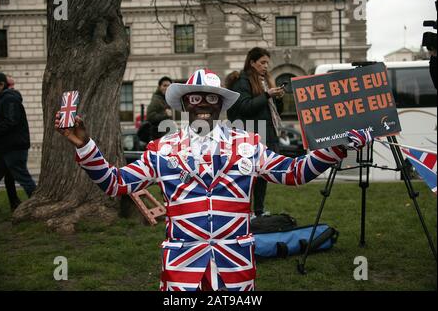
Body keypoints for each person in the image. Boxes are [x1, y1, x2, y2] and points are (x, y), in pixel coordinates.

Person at [55, 68, 371, 291]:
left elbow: (294, 173)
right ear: (184, 104)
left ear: (221, 103)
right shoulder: (162, 149)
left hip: (234, 264)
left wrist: (337, 148)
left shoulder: (248, 143)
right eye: (195, 98)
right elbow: (115, 184)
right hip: (183, 267)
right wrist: (86, 145)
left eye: (211, 98)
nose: (204, 104)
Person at [227, 47, 285, 218]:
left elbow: (274, 112)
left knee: (262, 174)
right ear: (252, 62)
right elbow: (244, 107)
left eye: (267, 63)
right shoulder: (242, 81)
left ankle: (258, 211)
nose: (266, 66)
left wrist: (278, 98)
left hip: (266, 133)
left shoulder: (265, 81)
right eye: (262, 63)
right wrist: (267, 95)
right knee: (247, 175)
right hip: (249, 135)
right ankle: (244, 210)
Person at [0, 72, 36, 217]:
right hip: (1, 149)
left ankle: (37, 204)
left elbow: (11, 122)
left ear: (1, 85)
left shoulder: (9, 100)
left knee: (23, 178)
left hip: (14, 148)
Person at [147, 76, 173, 141]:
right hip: (158, 139)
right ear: (159, 87)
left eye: (169, 86)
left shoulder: (166, 99)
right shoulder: (156, 99)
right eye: (164, 85)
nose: (167, 88)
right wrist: (165, 114)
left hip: (166, 137)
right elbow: (150, 117)